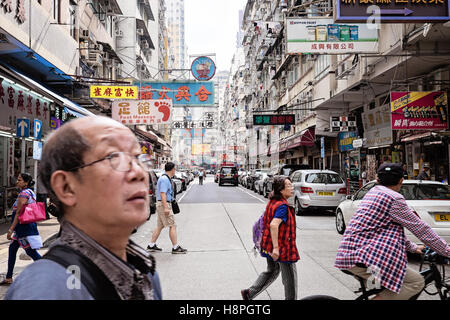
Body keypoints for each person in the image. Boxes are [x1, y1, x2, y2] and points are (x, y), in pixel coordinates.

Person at [5, 116, 162, 300]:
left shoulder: (143, 270)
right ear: (66, 187)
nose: (138, 173)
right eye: (113, 157)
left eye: (138, 159)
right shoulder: (46, 290)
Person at [335, 163, 450, 300]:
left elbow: (388, 228)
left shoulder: (373, 193)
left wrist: (413, 247)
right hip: (367, 259)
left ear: (378, 179)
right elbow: (421, 229)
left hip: (351, 255)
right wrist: (447, 251)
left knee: (380, 288)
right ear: (401, 180)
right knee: (415, 282)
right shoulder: (394, 198)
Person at [241, 176, 299, 300]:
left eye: (291, 184)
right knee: (290, 279)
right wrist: (277, 248)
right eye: (288, 185)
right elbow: (273, 225)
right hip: (282, 248)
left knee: (272, 270)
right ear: (281, 189)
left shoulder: (273, 201)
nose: (292, 187)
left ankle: (249, 293)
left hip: (269, 245)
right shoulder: (282, 206)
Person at [0, 173, 42, 286]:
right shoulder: (30, 192)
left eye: (19, 180)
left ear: (26, 182)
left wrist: (10, 229)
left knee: (31, 252)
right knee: (12, 249)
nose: (17, 182)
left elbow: (18, 213)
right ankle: (9, 277)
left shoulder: (24, 194)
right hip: (24, 227)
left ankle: (48, 272)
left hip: (23, 228)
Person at [147, 162, 187, 254]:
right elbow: (163, 193)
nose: (175, 171)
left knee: (160, 226)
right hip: (163, 204)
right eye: (174, 169)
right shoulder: (165, 179)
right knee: (173, 225)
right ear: (172, 169)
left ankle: (151, 245)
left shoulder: (165, 178)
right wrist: (166, 208)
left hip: (162, 204)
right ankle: (175, 247)